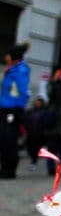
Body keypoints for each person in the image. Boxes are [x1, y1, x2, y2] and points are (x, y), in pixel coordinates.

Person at [0, 41, 30, 178]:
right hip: (5, 108)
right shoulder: (11, 69)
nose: (5, 57)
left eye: (8, 55)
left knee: (9, 139)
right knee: (4, 138)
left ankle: (9, 169)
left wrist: (18, 108)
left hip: (12, 110)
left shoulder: (20, 70)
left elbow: (22, 91)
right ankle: (5, 167)